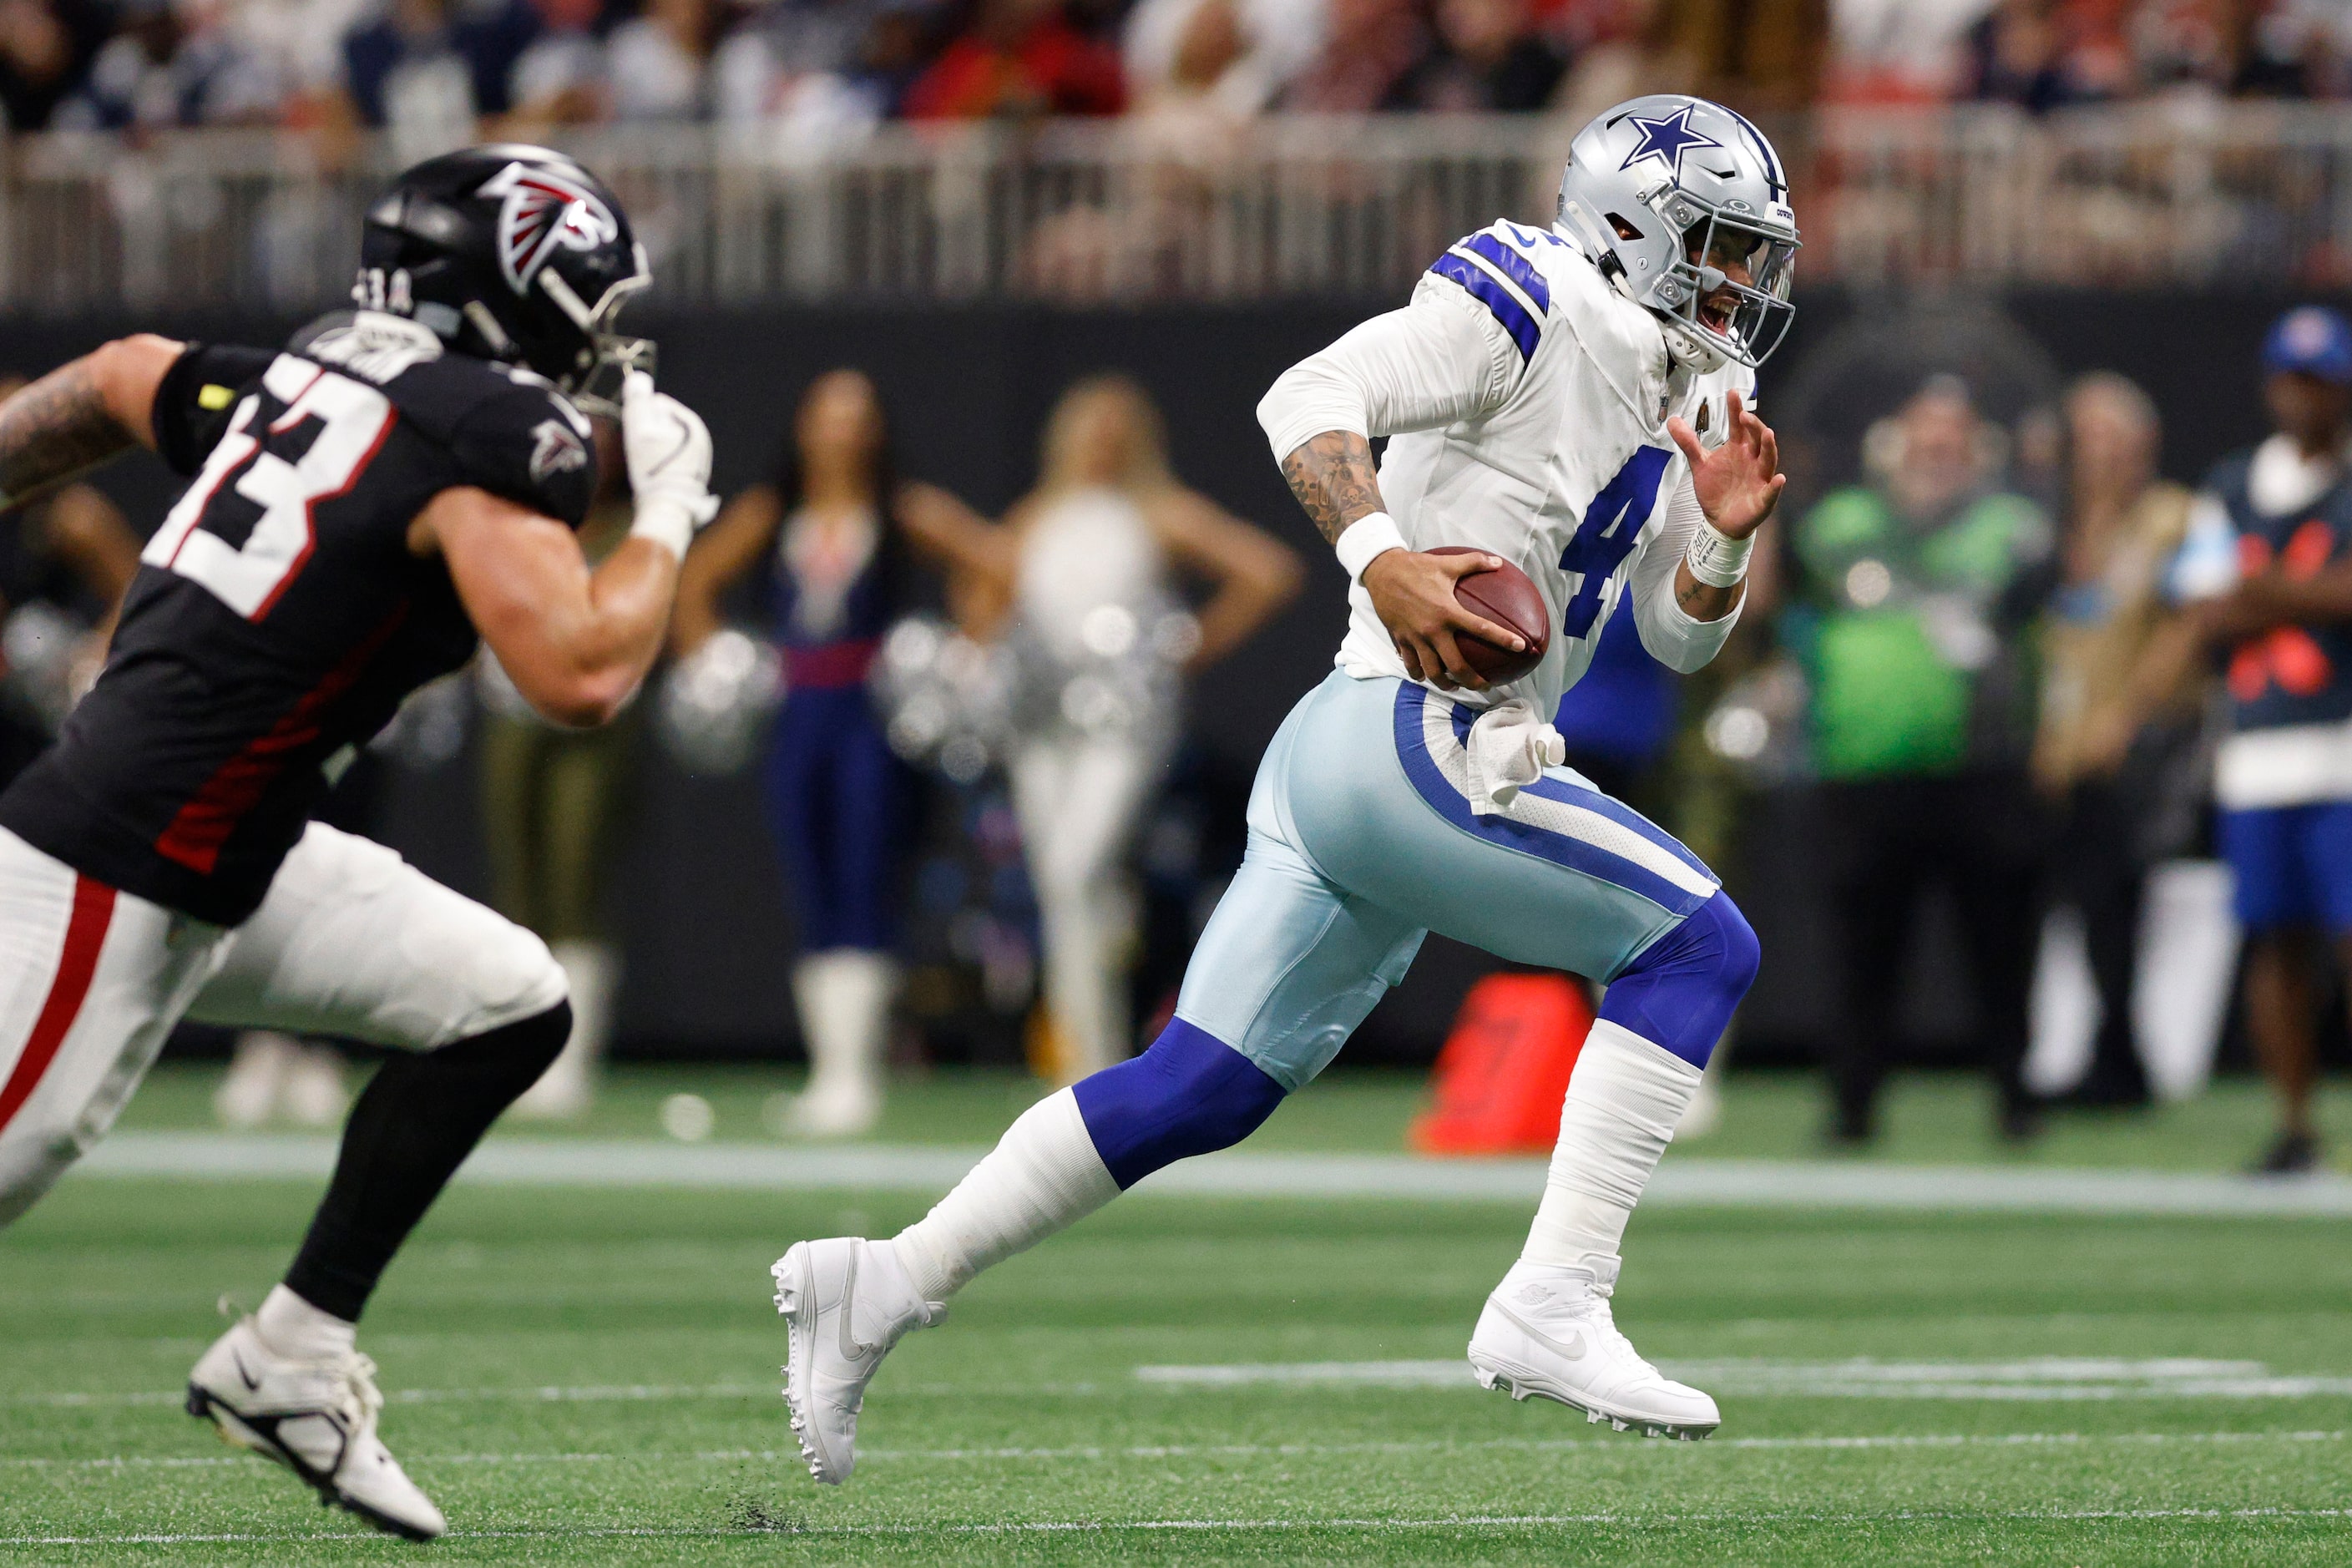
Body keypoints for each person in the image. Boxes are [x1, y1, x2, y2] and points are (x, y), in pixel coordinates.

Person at [772, 94, 1793, 1480]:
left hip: (1359, 754)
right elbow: (1305, 396)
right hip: (1408, 728)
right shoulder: (1533, 294)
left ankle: (881, 1279)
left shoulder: (1686, 379)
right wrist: (1379, 553)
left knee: (1198, 1084)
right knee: (1695, 942)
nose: (1744, 279)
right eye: (1723, 245)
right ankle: (1551, 1297)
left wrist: (1721, 545)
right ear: (1632, 224)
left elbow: (1677, 635)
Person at [0, 145, 716, 1539]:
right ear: (511, 293)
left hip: (230, 849)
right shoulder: (483, 433)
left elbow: (113, 375)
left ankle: (293, 1353)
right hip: (112, 862)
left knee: (505, 1000)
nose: (598, 344)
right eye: (584, 306)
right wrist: (674, 515)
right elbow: (579, 675)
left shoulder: (305, 370)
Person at [896, 375, 1301, 1083]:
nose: (1101, 443)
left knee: (1079, 866)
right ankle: (1084, 1051)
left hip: (1122, 726)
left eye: (1117, 431)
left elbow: (1267, 572)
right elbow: (987, 592)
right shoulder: (1035, 517)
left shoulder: (1160, 512)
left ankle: (1096, 1055)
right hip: (1040, 724)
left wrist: (1186, 648)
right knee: (1061, 879)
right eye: (1090, 428)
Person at [1785, 376, 2054, 1145]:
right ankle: (1852, 1104)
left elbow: (2036, 602)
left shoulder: (2010, 525)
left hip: (1983, 761)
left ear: (1979, 454)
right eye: (1925, 439)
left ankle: (2014, 1096)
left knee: (2000, 945)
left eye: (1953, 441)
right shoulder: (1841, 522)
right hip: (1863, 764)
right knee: (1862, 949)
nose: (1938, 455)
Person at [672, 369, 913, 1136]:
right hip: (795, 714)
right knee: (808, 873)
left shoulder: (897, 511)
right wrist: (713, 663)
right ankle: (830, 1068)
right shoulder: (772, 513)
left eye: (856, 417)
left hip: (865, 715)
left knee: (864, 874)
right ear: (803, 428)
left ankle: (858, 1072)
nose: (840, 433)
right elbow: (693, 581)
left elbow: (991, 565)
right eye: (827, 416)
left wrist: (957, 655)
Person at [2159, 306, 2352, 1173]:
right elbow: (2204, 609)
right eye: (2292, 379)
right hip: (2259, 750)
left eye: (2320, 381)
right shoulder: (2235, 483)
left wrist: (2262, 586)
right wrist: (2301, 589)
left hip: (2341, 744)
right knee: (2274, 940)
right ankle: (2295, 1123)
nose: (2303, 398)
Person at [2030, 372, 2199, 1111]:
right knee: (2070, 902)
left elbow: (2191, 621)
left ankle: (2121, 1058)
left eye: (2107, 437)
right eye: (2084, 437)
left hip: (2141, 741)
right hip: (2060, 743)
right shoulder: (2057, 527)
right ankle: (2093, 1053)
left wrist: (2126, 715)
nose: (2094, 454)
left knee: (2114, 902)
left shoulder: (2178, 517)